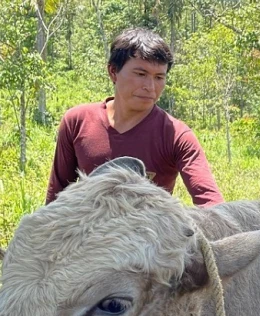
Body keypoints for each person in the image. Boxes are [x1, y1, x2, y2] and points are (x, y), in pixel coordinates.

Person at [46, 28, 224, 207]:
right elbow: (56, 199)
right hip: (89, 231)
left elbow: (211, 204)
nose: (150, 86)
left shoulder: (176, 135)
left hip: (148, 233)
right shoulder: (77, 121)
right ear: (113, 72)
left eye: (159, 77)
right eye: (141, 74)